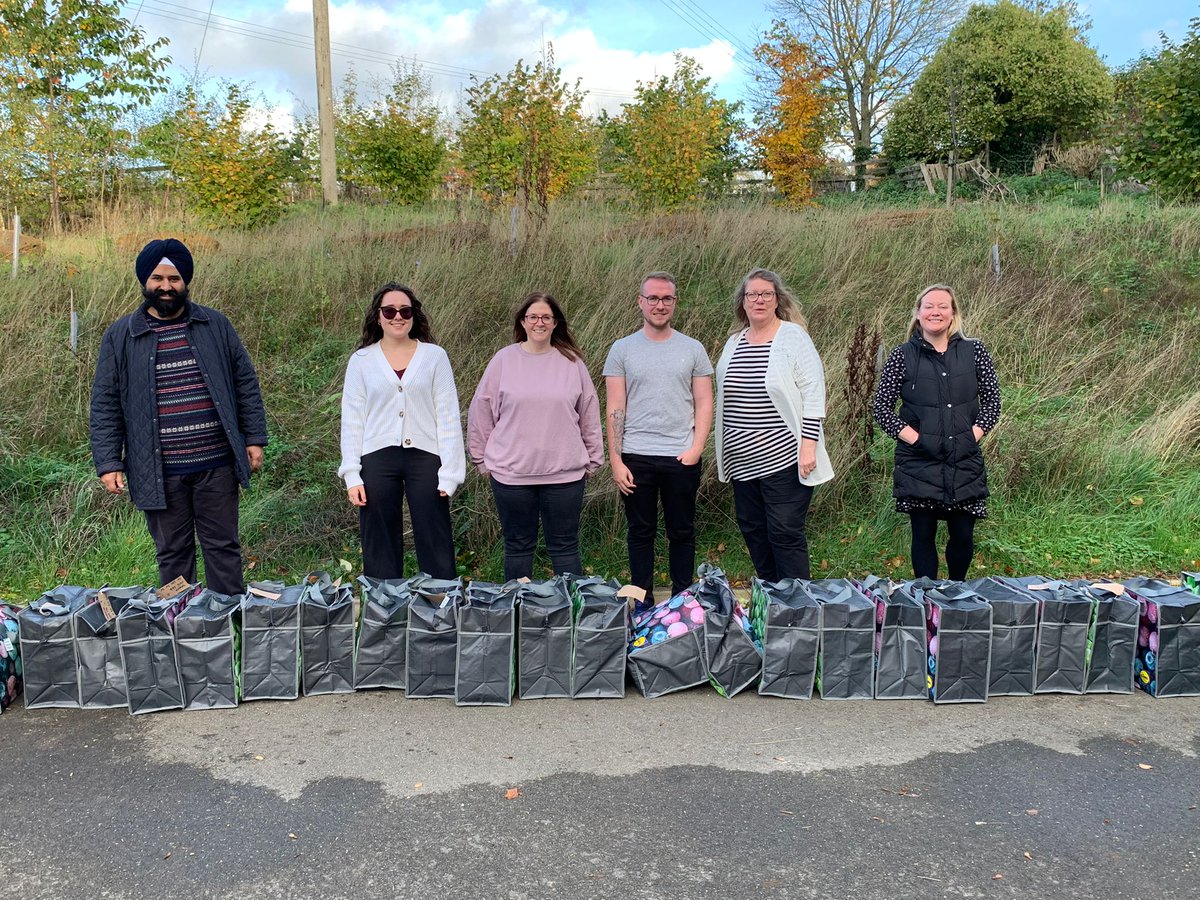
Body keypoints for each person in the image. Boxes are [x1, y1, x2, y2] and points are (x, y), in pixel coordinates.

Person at [90, 238, 268, 596]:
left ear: (185, 281)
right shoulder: (121, 336)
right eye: (157, 278)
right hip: (157, 470)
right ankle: (180, 629)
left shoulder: (215, 324)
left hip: (216, 464)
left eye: (174, 279)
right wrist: (109, 461)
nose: (166, 287)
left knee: (223, 548)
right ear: (145, 281)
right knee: (172, 553)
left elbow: (245, 382)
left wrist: (254, 438)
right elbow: (105, 401)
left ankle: (227, 625)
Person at [468, 292, 602, 580]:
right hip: (511, 475)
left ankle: (570, 617)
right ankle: (518, 616)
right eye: (533, 317)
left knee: (565, 547)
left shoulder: (572, 362)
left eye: (546, 317)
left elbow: (589, 411)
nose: (539, 322)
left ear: (555, 323)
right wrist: (481, 460)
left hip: (565, 476)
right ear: (523, 322)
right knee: (518, 547)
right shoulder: (503, 360)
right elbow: (481, 410)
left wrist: (592, 459)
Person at [872, 284, 1001, 581]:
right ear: (918, 313)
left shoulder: (975, 351)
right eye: (929, 306)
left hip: (965, 458)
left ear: (953, 313)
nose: (936, 312)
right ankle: (927, 602)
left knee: (963, 534)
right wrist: (915, 439)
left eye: (943, 306)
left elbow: (993, 401)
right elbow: (882, 408)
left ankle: (957, 596)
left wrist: (974, 434)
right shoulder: (902, 355)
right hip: (919, 461)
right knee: (923, 533)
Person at [338, 283, 465, 580]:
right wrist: (351, 474)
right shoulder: (361, 361)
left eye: (405, 310)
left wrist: (451, 472)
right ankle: (385, 611)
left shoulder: (434, 356)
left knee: (434, 533)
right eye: (390, 310)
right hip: (376, 458)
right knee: (379, 538)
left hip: (426, 457)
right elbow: (352, 419)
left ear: (413, 315)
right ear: (378, 316)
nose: (398, 316)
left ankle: (439, 607)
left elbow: (447, 416)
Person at [714, 268, 833, 582]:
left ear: (777, 299)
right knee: (754, 531)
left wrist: (809, 445)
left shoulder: (792, 336)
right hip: (741, 462)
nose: (759, 300)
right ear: (743, 302)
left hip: (784, 460)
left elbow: (813, 390)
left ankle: (796, 606)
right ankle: (770, 596)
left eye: (766, 294)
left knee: (784, 532)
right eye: (752, 294)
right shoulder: (734, 341)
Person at [604, 271, 712, 604]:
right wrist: (616, 459)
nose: (659, 305)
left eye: (666, 298)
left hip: (681, 456)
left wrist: (696, 449)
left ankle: (682, 600)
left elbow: (705, 400)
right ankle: (643, 601)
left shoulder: (693, 349)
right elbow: (615, 405)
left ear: (675, 303)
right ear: (641, 302)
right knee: (640, 532)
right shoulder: (622, 349)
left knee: (681, 531)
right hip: (636, 457)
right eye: (653, 298)